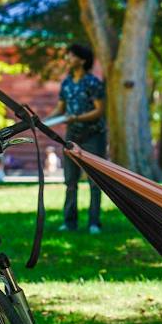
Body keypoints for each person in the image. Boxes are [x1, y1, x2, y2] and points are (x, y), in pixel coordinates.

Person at [49, 42, 106, 235]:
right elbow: (61, 108)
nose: (68, 59)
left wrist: (78, 118)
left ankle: (94, 223)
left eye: (71, 56)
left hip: (93, 136)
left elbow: (99, 110)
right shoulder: (66, 83)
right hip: (72, 136)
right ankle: (70, 222)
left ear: (82, 60)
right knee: (70, 181)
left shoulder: (93, 82)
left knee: (94, 181)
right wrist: (44, 120)